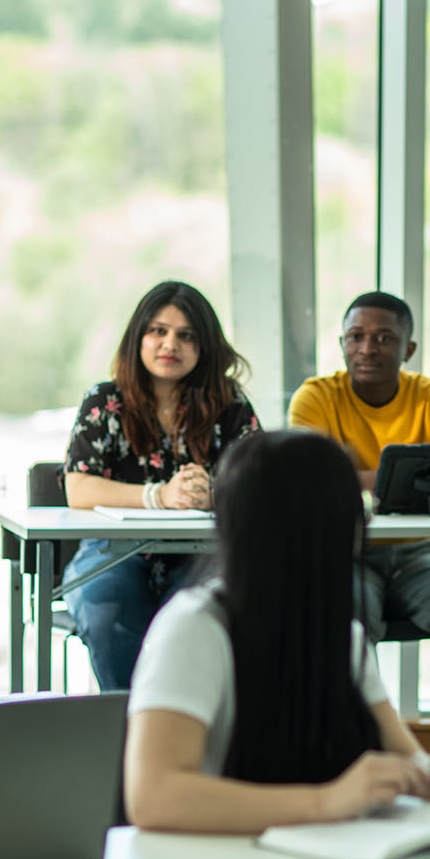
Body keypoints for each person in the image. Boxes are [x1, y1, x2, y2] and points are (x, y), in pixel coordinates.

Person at [122, 430, 430, 832]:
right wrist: (327, 801)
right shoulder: (195, 627)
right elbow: (153, 797)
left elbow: (405, 757)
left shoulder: (341, 634)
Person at [288, 291, 430, 752]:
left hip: (424, 552)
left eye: (384, 338)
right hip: (349, 553)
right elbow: (309, 479)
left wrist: (354, 476)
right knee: (342, 608)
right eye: (356, 336)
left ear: (408, 349)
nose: (368, 348)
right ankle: (363, 752)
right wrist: (410, 475)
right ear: (341, 343)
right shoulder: (317, 396)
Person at [61, 281, 260, 690]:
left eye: (186, 336)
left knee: (203, 620)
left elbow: (262, 483)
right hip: (111, 551)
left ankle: (187, 723)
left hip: (202, 554)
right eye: (158, 331)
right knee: (107, 613)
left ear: (205, 346)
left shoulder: (230, 403)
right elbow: (78, 488)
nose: (171, 344)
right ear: (138, 336)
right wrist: (160, 496)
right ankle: (127, 722)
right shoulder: (104, 400)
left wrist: (212, 495)